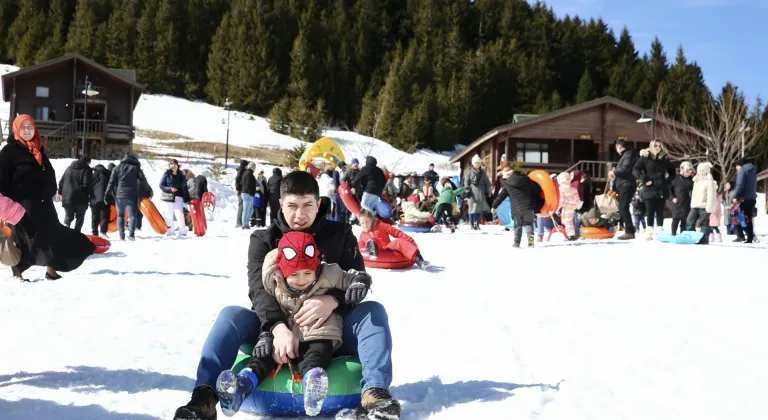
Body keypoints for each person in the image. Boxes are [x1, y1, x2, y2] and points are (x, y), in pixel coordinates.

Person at [173, 171, 400, 420]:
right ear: (281, 204)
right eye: (292, 206)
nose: (299, 214)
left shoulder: (340, 235)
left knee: (373, 310)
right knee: (230, 315)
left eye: (307, 206)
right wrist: (276, 327)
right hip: (271, 333)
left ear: (319, 204)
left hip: (327, 330)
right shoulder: (263, 239)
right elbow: (258, 291)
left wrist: (333, 300)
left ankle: (374, 395)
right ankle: (203, 399)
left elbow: (356, 282)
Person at [214, 232, 372, 417]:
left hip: (317, 331)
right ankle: (239, 390)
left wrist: (360, 282)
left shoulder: (329, 273)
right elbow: (263, 304)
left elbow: (354, 276)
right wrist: (266, 335)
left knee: (317, 352)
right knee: (262, 358)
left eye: (307, 273)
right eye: (294, 274)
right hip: (284, 336)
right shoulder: (274, 280)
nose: (302, 279)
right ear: (282, 271)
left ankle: (312, 388)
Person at [0, 115, 95, 280]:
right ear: (16, 129)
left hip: (43, 203)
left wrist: (49, 189)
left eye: (30, 127)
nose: (27, 130)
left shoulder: (38, 150)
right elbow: (2, 181)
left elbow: (49, 173)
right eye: (23, 127)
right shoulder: (8, 152)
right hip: (21, 205)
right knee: (22, 237)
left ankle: (52, 269)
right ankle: (18, 273)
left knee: (53, 233)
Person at [358, 209, 430, 270]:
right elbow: (359, 247)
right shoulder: (362, 235)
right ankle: (372, 250)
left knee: (400, 242)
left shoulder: (381, 225)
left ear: (372, 220)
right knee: (373, 240)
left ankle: (420, 261)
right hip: (377, 249)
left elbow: (396, 232)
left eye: (367, 222)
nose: (365, 225)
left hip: (388, 247)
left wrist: (410, 240)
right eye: (362, 223)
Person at [491, 167, 544, 248]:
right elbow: (537, 189)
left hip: (516, 209)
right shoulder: (527, 180)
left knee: (517, 226)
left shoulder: (507, 184)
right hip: (528, 207)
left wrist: (494, 206)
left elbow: (501, 196)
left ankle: (516, 243)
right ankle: (531, 243)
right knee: (529, 224)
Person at [633, 139, 672, 239]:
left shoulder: (664, 158)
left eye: (659, 146)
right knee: (650, 211)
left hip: (661, 188)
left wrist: (667, 181)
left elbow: (672, 171)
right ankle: (649, 232)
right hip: (649, 188)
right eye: (656, 146)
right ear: (651, 146)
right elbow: (635, 169)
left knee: (660, 210)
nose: (658, 148)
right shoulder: (645, 158)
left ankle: (660, 232)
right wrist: (644, 179)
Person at [608, 140, 639, 240]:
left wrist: (614, 172)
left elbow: (625, 169)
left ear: (619, 147)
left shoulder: (628, 155)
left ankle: (629, 231)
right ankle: (629, 229)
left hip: (626, 184)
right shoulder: (629, 154)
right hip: (625, 183)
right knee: (623, 207)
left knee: (623, 207)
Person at [57, 156, 93, 232]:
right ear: (87, 162)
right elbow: (87, 184)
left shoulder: (69, 168)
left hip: (67, 197)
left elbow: (61, 182)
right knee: (80, 217)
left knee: (68, 216)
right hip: (81, 198)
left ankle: (66, 231)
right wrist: (91, 196)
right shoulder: (86, 170)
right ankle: (77, 233)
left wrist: (60, 192)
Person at [686, 162, 717, 244]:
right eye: (699, 170)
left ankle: (704, 239)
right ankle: (691, 236)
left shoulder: (709, 182)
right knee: (689, 220)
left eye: (703, 170)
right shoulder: (696, 181)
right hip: (695, 205)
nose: (701, 172)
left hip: (704, 206)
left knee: (704, 223)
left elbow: (711, 195)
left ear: (707, 171)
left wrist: (709, 206)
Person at [159, 159, 190, 237]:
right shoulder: (166, 174)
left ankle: (182, 231)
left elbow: (185, 187)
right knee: (169, 214)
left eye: (174, 164)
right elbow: (161, 185)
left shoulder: (181, 175)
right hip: (168, 197)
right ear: (169, 166)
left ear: (177, 166)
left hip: (178, 196)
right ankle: (170, 231)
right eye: (171, 164)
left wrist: (187, 198)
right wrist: (170, 189)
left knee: (179, 214)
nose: (173, 166)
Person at [730, 158, 757, 243]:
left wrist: (735, 195)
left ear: (739, 165)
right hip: (752, 197)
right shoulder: (752, 171)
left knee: (740, 217)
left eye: (736, 166)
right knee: (748, 217)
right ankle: (749, 237)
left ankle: (743, 236)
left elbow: (740, 185)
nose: (736, 168)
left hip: (743, 198)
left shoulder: (742, 171)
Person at [463, 155, 492, 230]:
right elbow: (466, 182)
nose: (477, 164)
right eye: (476, 163)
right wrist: (467, 191)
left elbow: (487, 183)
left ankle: (477, 223)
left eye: (478, 163)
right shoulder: (468, 172)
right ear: (473, 163)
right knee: (472, 208)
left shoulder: (483, 173)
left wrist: (489, 191)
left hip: (481, 192)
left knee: (479, 209)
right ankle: (472, 224)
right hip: (472, 192)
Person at [555, 172, 583, 240]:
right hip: (572, 206)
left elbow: (561, 200)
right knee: (570, 220)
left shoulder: (561, 189)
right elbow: (577, 198)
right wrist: (578, 204)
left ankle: (570, 235)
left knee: (567, 221)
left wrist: (557, 209)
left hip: (566, 206)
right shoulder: (573, 188)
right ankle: (571, 234)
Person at [670, 162, 694, 235]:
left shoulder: (691, 180)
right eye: (687, 171)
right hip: (677, 203)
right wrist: (672, 197)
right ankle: (673, 233)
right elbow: (669, 190)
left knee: (685, 219)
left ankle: (683, 234)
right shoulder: (675, 179)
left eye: (690, 171)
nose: (689, 173)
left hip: (687, 203)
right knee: (676, 218)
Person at [90, 162, 112, 237]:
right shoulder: (108, 175)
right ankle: (103, 231)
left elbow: (88, 186)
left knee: (94, 215)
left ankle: (94, 232)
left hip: (93, 199)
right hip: (104, 199)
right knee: (105, 215)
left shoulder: (92, 175)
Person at [240, 162, 258, 230]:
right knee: (247, 209)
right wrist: (252, 192)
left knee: (250, 210)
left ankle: (246, 223)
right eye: (254, 167)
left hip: (247, 193)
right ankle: (244, 225)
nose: (255, 169)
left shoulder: (247, 173)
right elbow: (248, 184)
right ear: (252, 167)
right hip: (247, 193)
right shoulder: (249, 174)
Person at [235, 159, 249, 228]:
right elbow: (238, 180)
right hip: (241, 190)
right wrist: (238, 189)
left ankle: (239, 221)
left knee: (242, 205)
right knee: (241, 205)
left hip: (241, 190)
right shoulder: (241, 170)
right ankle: (238, 222)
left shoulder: (241, 170)